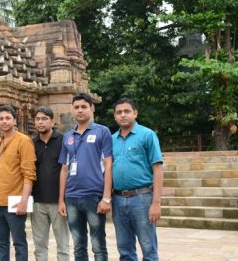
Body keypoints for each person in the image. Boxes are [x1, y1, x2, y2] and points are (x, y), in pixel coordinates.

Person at [57, 93, 113, 261]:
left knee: (98, 244)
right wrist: (61, 200)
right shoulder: (68, 137)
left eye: (84, 107)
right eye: (76, 107)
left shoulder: (102, 131)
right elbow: (64, 169)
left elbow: (109, 164)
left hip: (93, 196)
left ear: (92, 108)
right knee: (78, 245)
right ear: (72, 110)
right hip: (72, 197)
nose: (80, 110)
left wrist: (106, 198)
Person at [111, 98, 163, 261]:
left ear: (135, 113)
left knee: (148, 247)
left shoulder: (147, 135)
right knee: (124, 248)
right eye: (119, 112)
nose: (123, 115)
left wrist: (156, 203)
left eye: (127, 111)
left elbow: (157, 168)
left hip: (142, 198)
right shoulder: (112, 139)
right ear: (115, 116)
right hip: (118, 199)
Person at [0, 105, 37, 261]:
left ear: (14, 120)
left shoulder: (24, 141)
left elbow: (29, 174)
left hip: (15, 202)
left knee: (19, 243)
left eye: (8, 118)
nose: (4, 121)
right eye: (1, 118)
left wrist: (24, 201)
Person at [31, 106, 71, 261]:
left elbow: (66, 169)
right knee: (39, 245)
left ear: (52, 121)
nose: (40, 122)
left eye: (44, 118)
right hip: (37, 201)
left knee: (63, 245)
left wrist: (63, 200)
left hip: (58, 201)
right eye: (37, 119)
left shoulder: (63, 140)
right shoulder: (31, 143)